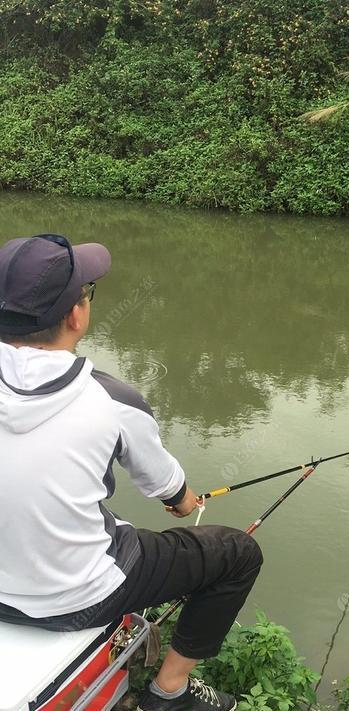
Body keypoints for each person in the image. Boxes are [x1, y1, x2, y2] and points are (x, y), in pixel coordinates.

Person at [0, 233, 263, 711]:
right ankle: (170, 692)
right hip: (81, 599)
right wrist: (187, 502)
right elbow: (172, 493)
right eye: (86, 292)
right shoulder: (113, 401)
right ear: (76, 315)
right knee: (238, 554)